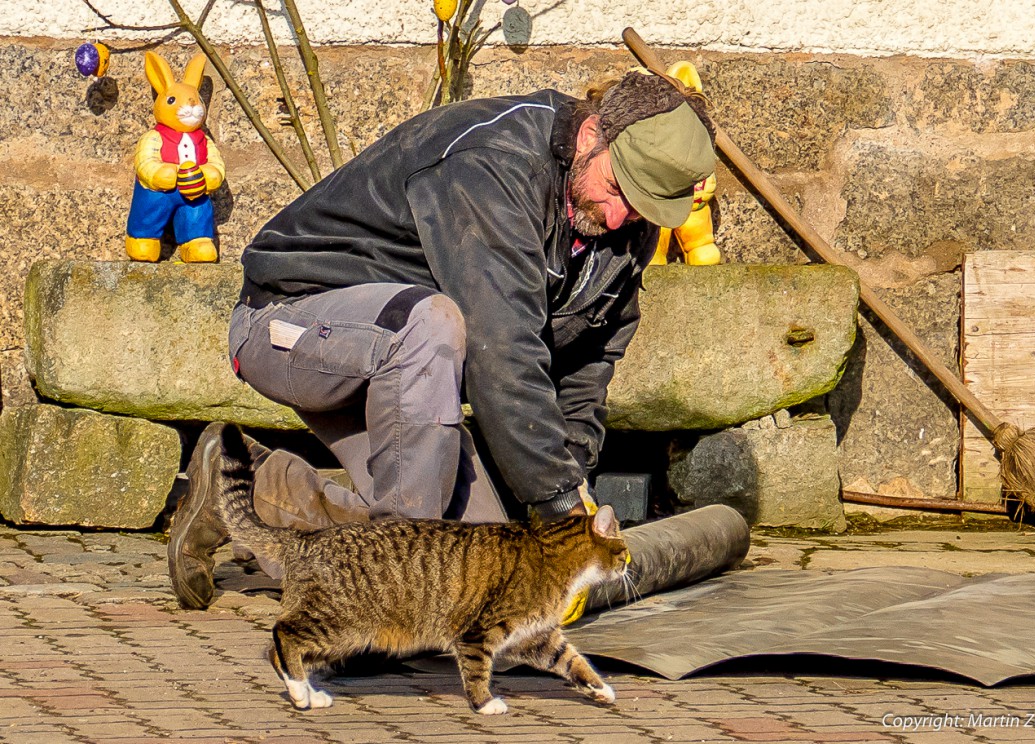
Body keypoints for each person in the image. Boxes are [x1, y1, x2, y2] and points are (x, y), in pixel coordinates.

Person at [167, 70, 717, 610]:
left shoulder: (625, 227)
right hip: (290, 323)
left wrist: (572, 490)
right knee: (432, 323)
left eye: (641, 205)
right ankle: (392, 594)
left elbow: (588, 364)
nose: (620, 215)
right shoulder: (497, 165)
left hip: (407, 368)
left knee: (480, 579)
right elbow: (501, 351)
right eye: (618, 188)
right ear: (592, 133)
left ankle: (245, 490)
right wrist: (558, 506)